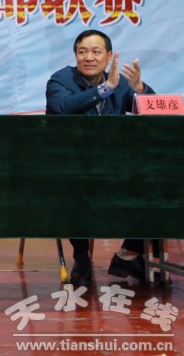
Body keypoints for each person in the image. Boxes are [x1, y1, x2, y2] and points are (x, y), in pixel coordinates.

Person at [46, 29, 155, 287]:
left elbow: (154, 113)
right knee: (72, 189)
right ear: (75, 55)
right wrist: (105, 89)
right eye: (82, 52)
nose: (89, 57)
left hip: (114, 167)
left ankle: (128, 253)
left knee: (157, 184)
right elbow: (62, 108)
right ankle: (81, 257)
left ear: (108, 56)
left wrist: (140, 89)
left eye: (96, 52)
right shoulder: (61, 80)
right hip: (72, 167)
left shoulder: (120, 82)